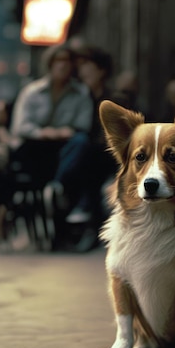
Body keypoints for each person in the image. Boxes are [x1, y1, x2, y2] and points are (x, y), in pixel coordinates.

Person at [0, 44, 94, 244]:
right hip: (33, 151)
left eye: (67, 61)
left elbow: (83, 126)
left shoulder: (81, 93)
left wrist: (60, 134)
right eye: (58, 61)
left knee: (81, 143)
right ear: (50, 64)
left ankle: (57, 188)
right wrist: (44, 133)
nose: (63, 66)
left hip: (63, 152)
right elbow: (21, 127)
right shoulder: (32, 92)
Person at [65, 46, 117, 251]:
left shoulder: (114, 98)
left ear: (101, 70)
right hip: (88, 156)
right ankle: (82, 219)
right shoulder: (79, 98)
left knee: (88, 161)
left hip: (109, 155)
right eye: (81, 66)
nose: (82, 70)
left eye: (88, 65)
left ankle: (86, 213)